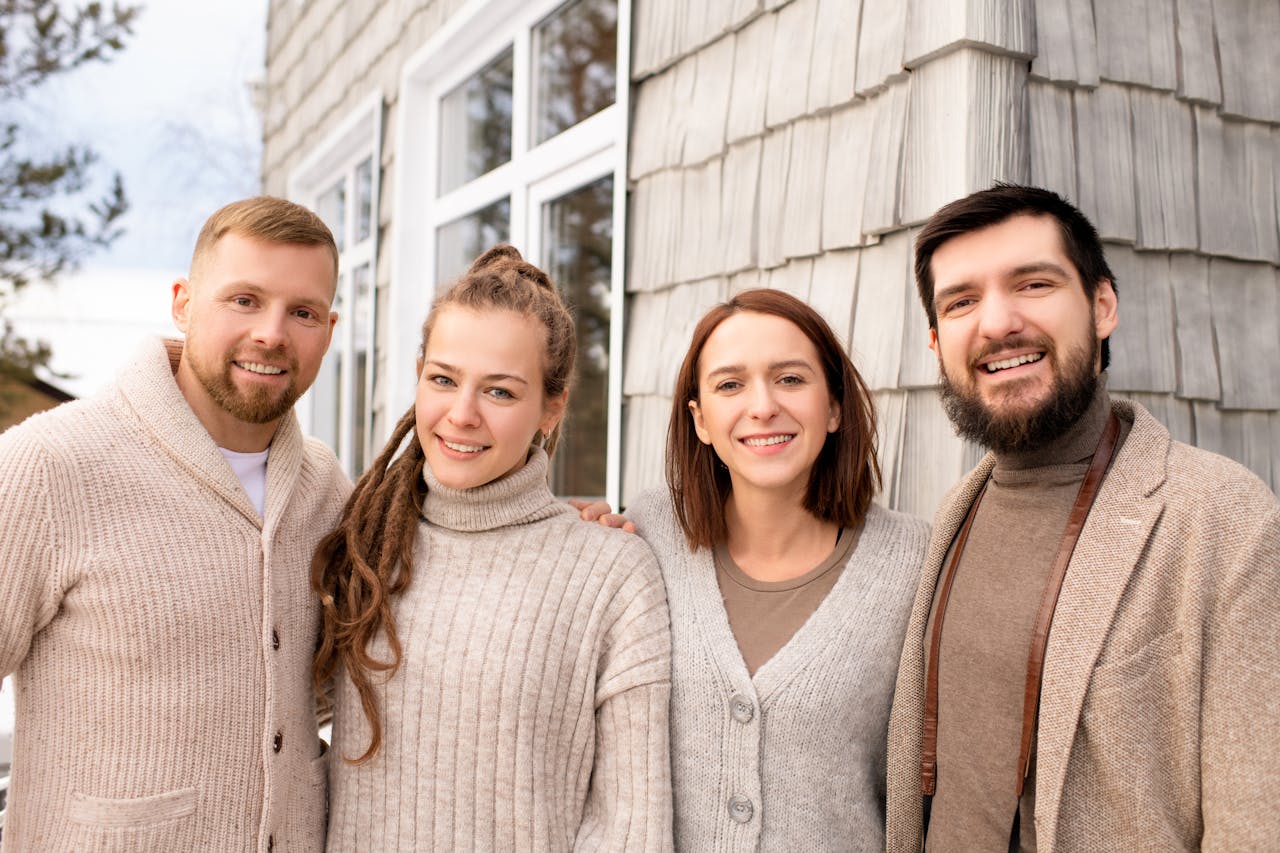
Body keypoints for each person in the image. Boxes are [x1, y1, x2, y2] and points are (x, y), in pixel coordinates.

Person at [885, 184, 1280, 851]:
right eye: (961, 301)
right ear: (935, 341)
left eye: (1033, 284)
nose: (997, 321)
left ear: (1102, 305)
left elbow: (1256, 826)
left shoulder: (1223, 516)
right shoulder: (957, 511)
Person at [0, 196, 350, 851]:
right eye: (244, 299)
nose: (272, 333)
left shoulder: (326, 487)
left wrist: (553, 525)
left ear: (328, 329)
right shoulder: (50, 463)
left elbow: (339, 686)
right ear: (184, 301)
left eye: (301, 312)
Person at [313, 245, 673, 852]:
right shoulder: (365, 541)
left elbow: (630, 825)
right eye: (444, 380)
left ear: (551, 408)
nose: (462, 414)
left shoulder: (610, 573)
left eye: (500, 393)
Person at [596, 289, 929, 851]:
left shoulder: (915, 563)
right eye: (730, 385)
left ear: (834, 406)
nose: (762, 406)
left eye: (791, 379)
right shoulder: (642, 539)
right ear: (700, 420)